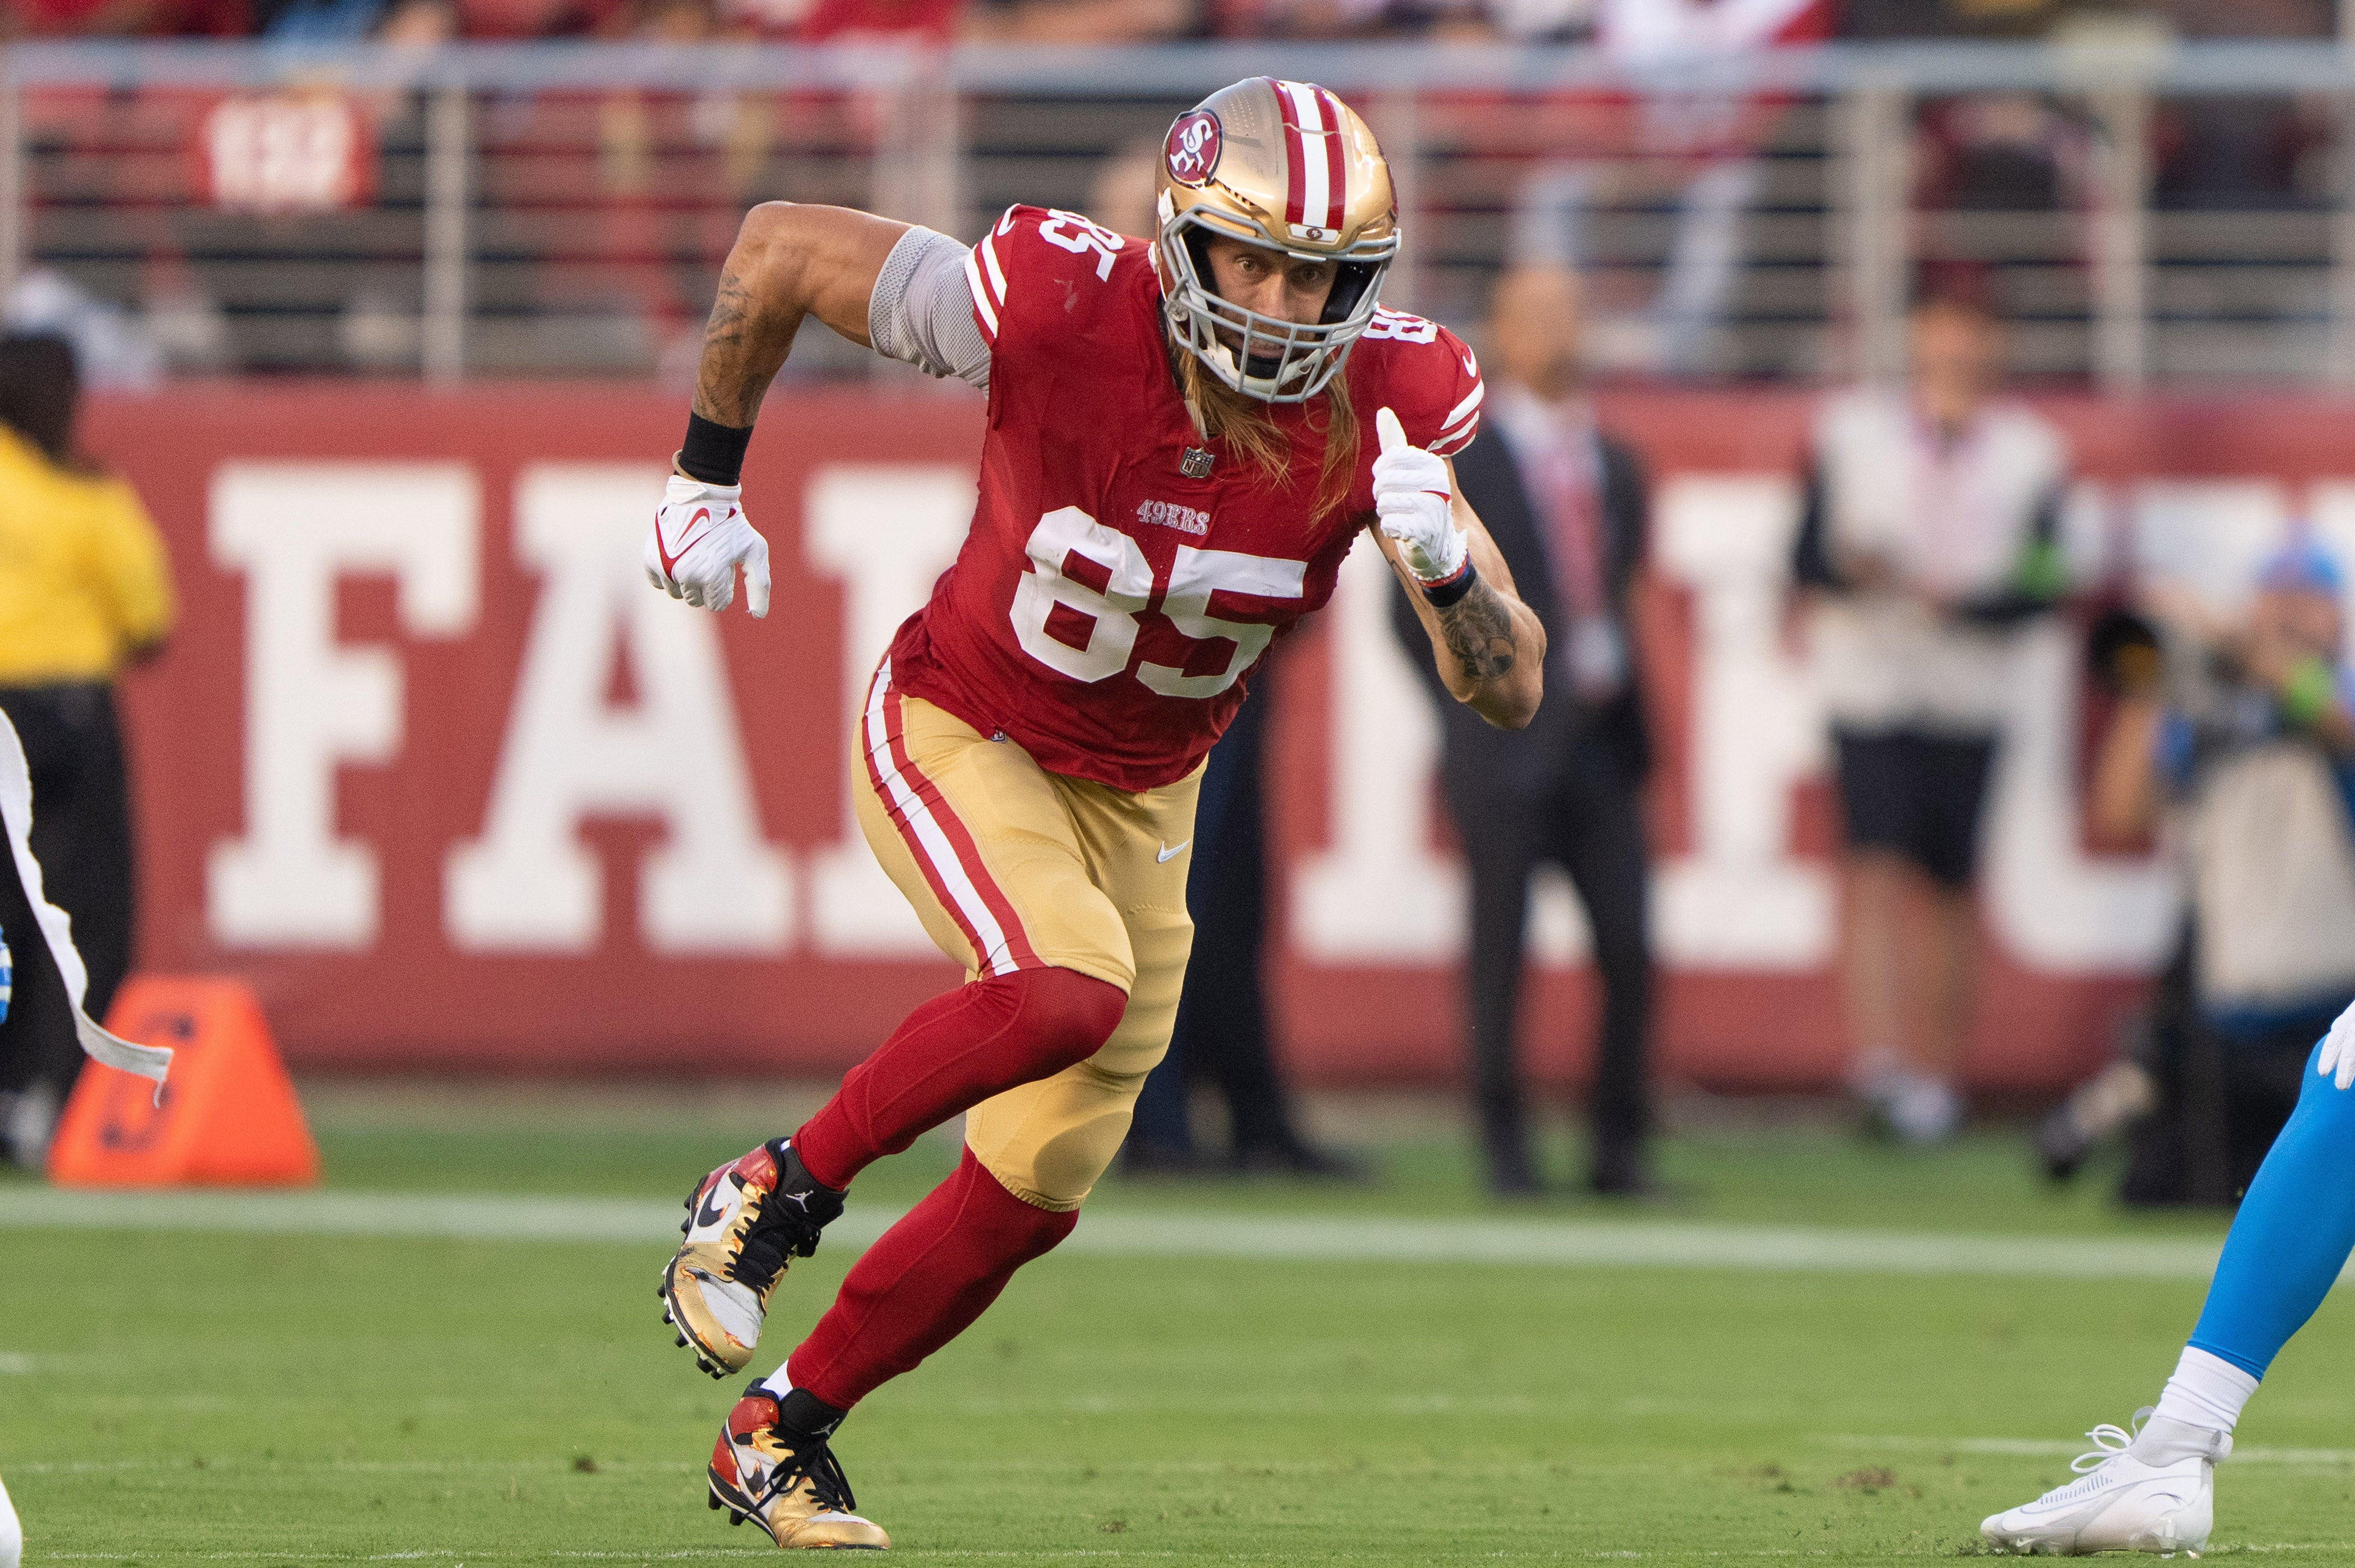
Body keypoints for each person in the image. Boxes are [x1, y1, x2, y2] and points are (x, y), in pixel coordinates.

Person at [640, 77, 1543, 1549]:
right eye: (1249, 258)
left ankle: (779, 1434)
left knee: (1036, 1181)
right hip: (961, 721)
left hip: (1142, 798)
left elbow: (1509, 687)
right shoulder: (1061, 302)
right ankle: (765, 1193)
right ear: (1177, 241)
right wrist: (701, 477)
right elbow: (780, 250)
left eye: (1316, 271)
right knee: (1064, 989)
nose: (1278, 300)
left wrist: (1447, 572)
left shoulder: (1388, 400)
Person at [1389, 264, 1655, 1196]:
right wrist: (1470, 702)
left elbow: (1614, 590)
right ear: (1498, 332)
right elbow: (1409, 608)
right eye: (1532, 315)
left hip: (1597, 730)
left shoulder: (1611, 461)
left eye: (1566, 314)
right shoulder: (1470, 462)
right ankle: (1502, 1145)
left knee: (1627, 944)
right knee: (1498, 948)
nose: (1554, 333)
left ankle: (1615, 1145)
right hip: (1502, 739)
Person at [1790, 291, 2068, 1145]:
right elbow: (1805, 557)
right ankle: (1878, 1062)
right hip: (1871, 678)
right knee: (1872, 869)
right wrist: (1864, 573)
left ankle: (1937, 1077)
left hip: (1967, 687)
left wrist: (1968, 603)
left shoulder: (2030, 455)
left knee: (1948, 884)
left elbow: (2042, 580)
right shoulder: (1851, 436)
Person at [2039, 541, 2355, 1203]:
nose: (2290, 618)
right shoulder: (2212, 712)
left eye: (2308, 602)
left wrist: (2240, 645)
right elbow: (2121, 813)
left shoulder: (2334, 695)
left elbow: (2334, 719)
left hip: (2334, 1013)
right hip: (2233, 1019)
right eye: (2277, 601)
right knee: (2174, 1188)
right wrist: (2152, 686)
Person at [0, 331, 174, 1168]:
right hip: (66, 715)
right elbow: (149, 617)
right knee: (84, 919)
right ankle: (56, 1099)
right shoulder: (88, 496)